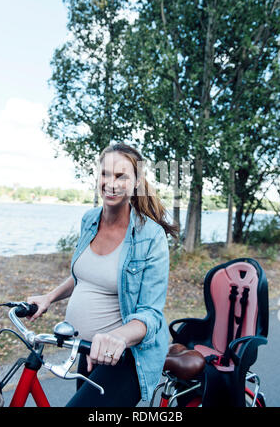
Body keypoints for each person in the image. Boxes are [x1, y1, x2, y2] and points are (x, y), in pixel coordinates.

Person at [27, 142, 178, 407]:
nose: (111, 182)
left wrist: (117, 337)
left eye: (121, 176)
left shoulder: (150, 236)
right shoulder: (89, 220)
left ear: (136, 182)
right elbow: (85, 276)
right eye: (105, 174)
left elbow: (151, 314)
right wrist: (49, 297)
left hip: (125, 358)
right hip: (85, 351)